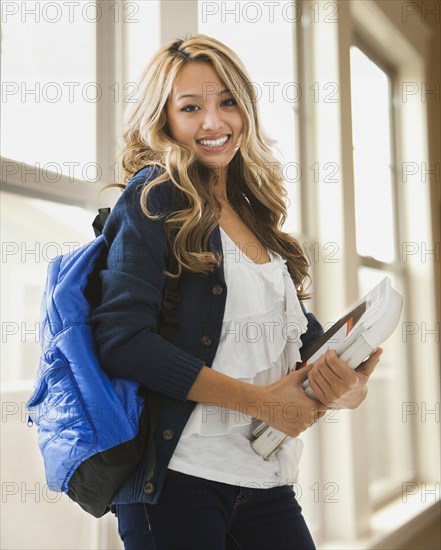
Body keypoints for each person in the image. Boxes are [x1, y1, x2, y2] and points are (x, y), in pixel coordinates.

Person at [91, 34, 382, 550]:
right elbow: (121, 339)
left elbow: (299, 345)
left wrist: (347, 385)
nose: (214, 122)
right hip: (179, 485)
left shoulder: (257, 219)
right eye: (190, 107)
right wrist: (261, 404)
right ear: (164, 120)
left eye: (227, 101)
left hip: (264, 482)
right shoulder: (154, 197)